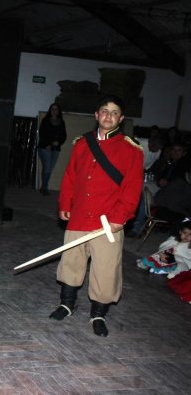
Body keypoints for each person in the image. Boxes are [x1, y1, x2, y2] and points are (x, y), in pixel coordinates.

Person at [49, 95, 143, 337]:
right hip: (79, 216)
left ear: (121, 118)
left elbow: (133, 187)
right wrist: (65, 203)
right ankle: (66, 304)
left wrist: (120, 217)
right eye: (104, 111)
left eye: (114, 112)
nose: (108, 116)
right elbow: (70, 177)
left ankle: (98, 314)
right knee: (71, 263)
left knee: (105, 269)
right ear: (96, 115)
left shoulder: (130, 149)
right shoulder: (82, 143)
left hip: (107, 222)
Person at [37, 103, 67, 195]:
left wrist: (59, 142)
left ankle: (43, 187)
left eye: (56, 109)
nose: (54, 111)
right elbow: (42, 134)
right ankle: (45, 188)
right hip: (45, 147)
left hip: (56, 149)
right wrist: (48, 144)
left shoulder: (61, 122)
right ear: (50, 110)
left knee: (49, 169)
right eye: (52, 109)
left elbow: (64, 136)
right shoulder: (45, 120)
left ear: (59, 111)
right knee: (47, 168)